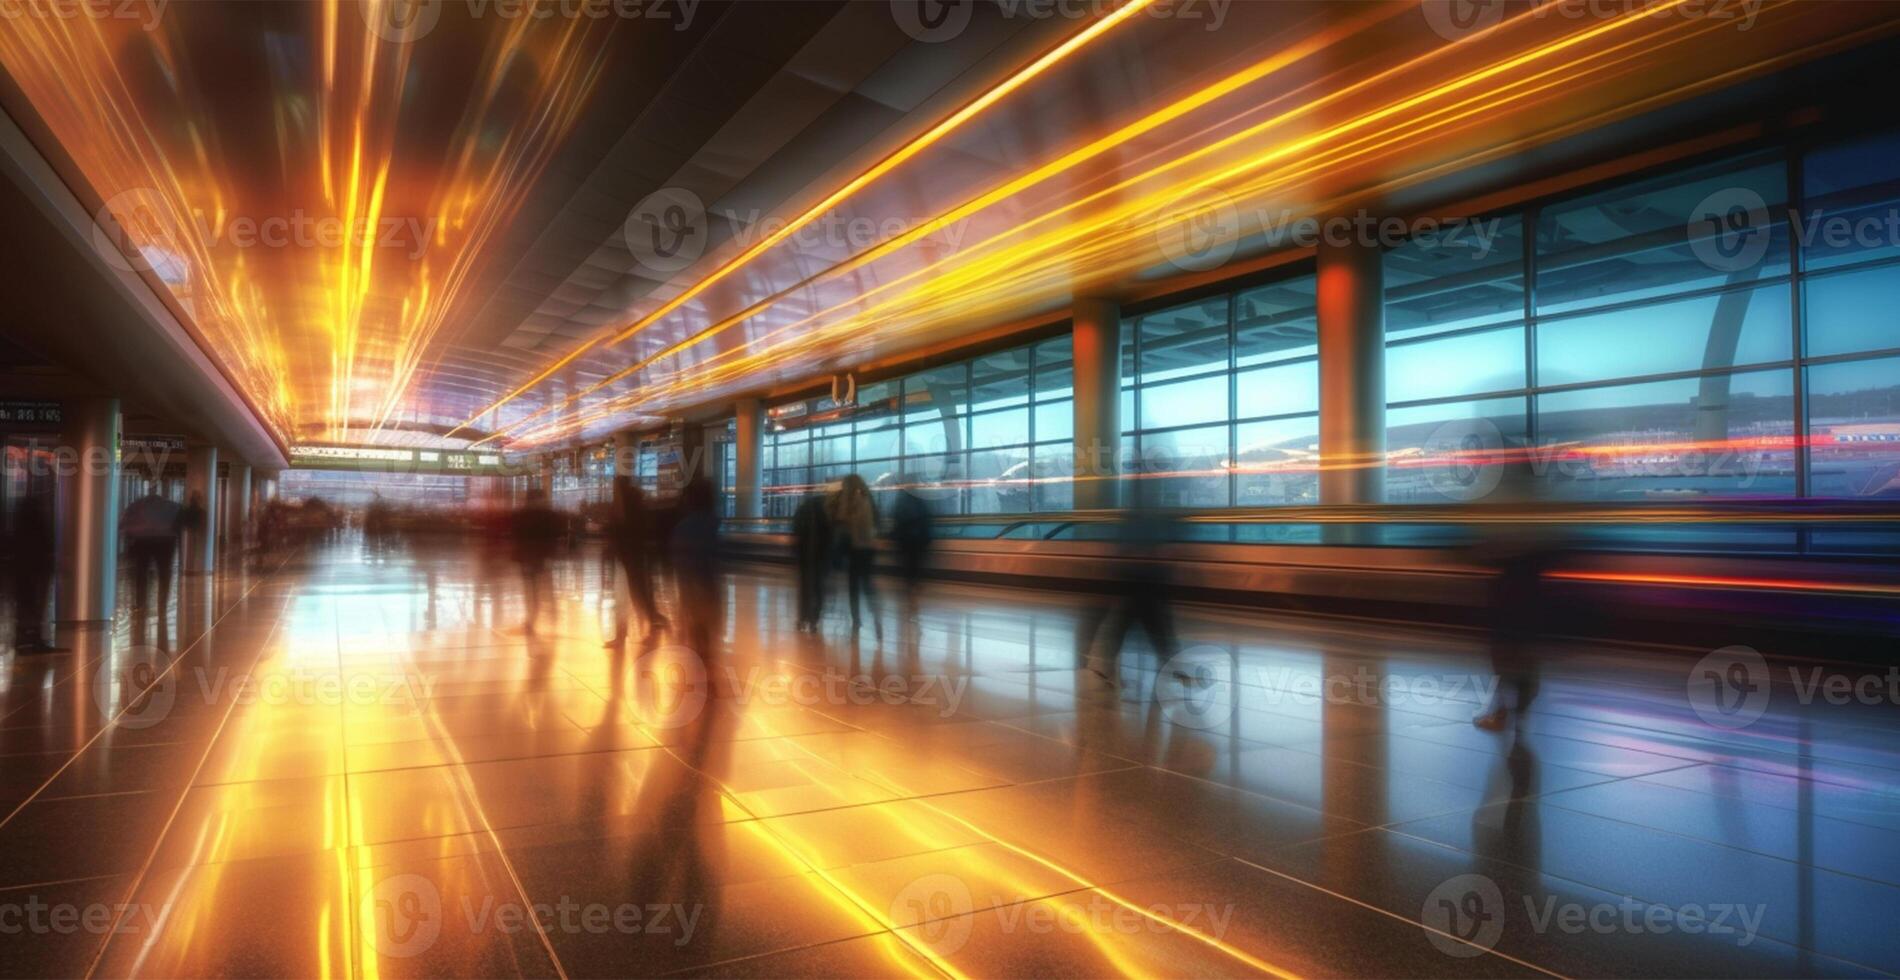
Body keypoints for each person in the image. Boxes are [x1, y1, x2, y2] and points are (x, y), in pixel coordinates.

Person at [605, 476, 667, 646]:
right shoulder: (633, 507)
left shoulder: (626, 509)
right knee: (637, 596)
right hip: (631, 559)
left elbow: (618, 535)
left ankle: (633, 632)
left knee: (635, 597)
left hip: (631, 559)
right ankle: (642, 629)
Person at [669, 475, 722, 658]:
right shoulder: (714, 523)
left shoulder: (684, 526)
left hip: (692, 586)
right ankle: (706, 661)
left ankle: (701, 662)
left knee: (697, 629)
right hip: (709, 584)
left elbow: (681, 560)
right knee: (705, 631)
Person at [8, 486, 61, 653]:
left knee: (26, 606)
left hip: (24, 571)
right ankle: (31, 639)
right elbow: (43, 546)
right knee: (33, 606)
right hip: (35, 571)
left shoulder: (19, 526)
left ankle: (24, 639)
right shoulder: (36, 525)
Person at [826, 474, 879, 636]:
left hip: (857, 549)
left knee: (854, 586)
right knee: (866, 584)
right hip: (867, 549)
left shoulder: (853, 502)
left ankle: (857, 619)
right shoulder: (868, 499)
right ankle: (875, 616)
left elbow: (840, 523)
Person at [121, 484, 184, 617]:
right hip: (165, 543)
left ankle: (140, 604)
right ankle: (162, 605)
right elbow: (179, 524)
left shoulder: (136, 506)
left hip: (142, 542)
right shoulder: (172, 506)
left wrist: (130, 540)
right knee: (164, 573)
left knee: (141, 574)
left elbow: (124, 525)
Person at [512, 489, 564, 636]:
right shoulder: (550, 515)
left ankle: (531, 621)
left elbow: (517, 534)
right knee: (543, 589)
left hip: (527, 557)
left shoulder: (523, 515)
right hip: (541, 558)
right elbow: (555, 534)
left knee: (532, 591)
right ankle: (547, 617)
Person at [790, 491, 831, 631]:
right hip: (820, 557)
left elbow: (795, 533)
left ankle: (802, 618)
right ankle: (814, 619)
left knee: (804, 589)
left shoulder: (802, 511)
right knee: (819, 588)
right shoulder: (826, 514)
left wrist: (795, 553)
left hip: (804, 557)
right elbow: (830, 538)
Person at [889, 483, 933, 609]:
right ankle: (914, 587)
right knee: (915, 564)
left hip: (905, 540)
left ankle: (910, 588)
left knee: (907, 565)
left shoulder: (901, 503)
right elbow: (926, 519)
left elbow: (897, 520)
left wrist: (893, 536)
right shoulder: (921, 502)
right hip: (919, 539)